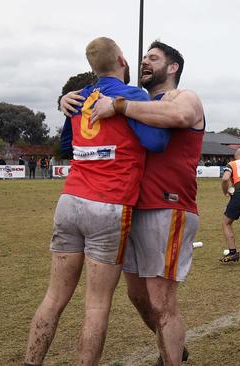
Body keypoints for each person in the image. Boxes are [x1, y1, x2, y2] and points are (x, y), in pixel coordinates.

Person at [24, 37, 170, 366]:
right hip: (109, 206)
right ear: (121, 59)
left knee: (53, 297)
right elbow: (157, 141)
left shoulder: (79, 98)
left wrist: (67, 105)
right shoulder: (132, 95)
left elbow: (66, 143)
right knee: (96, 304)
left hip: (71, 200)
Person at [66, 40, 204, 366]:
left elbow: (180, 115)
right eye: (142, 57)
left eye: (153, 58)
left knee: (161, 301)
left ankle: (172, 358)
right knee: (137, 295)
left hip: (168, 207)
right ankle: (172, 347)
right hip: (129, 209)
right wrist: (69, 100)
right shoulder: (133, 98)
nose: (144, 62)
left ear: (172, 68)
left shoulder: (183, 97)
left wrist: (120, 106)